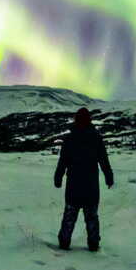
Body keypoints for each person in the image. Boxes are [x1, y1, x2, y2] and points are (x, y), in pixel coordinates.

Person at [54, 107, 114, 251]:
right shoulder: (96, 137)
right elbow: (104, 160)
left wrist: (58, 177)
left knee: (69, 216)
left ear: (76, 119)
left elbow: (63, 161)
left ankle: (64, 242)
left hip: (73, 185)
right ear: (89, 120)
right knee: (91, 217)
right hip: (91, 186)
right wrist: (109, 177)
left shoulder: (69, 138)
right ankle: (93, 244)